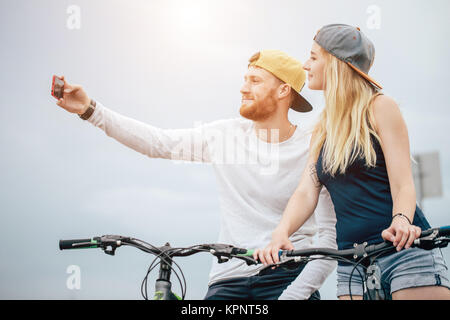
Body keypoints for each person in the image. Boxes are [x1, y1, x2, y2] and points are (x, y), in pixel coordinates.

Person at [54, 49, 337, 300]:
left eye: (255, 81)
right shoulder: (225, 136)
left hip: (287, 275)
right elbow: (158, 142)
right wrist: (90, 110)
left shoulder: (312, 147)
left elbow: (328, 236)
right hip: (228, 278)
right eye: (244, 79)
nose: (243, 88)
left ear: (283, 91)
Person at [254, 24, 450, 300]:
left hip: (402, 252)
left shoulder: (381, 107)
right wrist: (281, 232)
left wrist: (402, 219)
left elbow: (403, 183)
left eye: (313, 57)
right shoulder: (322, 129)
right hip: (352, 262)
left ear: (335, 62)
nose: (305, 64)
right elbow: (306, 191)